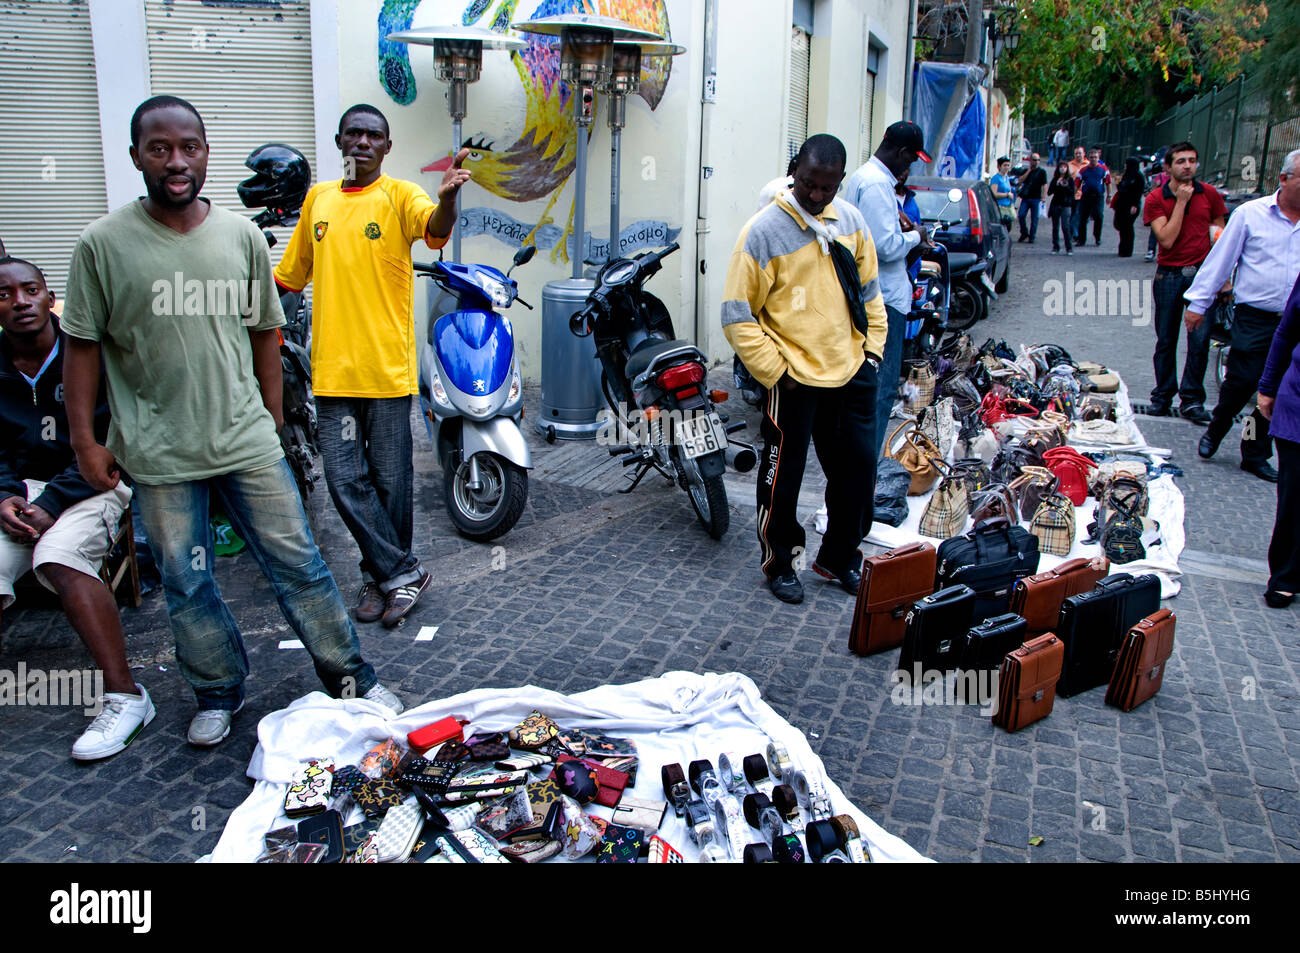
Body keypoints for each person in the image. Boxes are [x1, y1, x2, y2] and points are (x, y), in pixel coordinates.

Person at [60, 95, 403, 748]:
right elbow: (82, 346)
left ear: (206, 153)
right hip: (159, 453)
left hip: (245, 441)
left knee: (300, 564)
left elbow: (265, 333)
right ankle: (217, 691)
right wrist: (83, 438)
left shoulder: (240, 235)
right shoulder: (100, 245)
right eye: (159, 148)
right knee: (188, 582)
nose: (176, 160)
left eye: (189, 146)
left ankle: (351, 677)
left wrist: (273, 422)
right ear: (136, 156)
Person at [274, 104, 468, 628]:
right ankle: (401, 573)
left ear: (387, 146)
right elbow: (288, 278)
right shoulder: (318, 200)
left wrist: (448, 198)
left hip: (385, 372)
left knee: (391, 481)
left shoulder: (402, 195)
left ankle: (378, 576)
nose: (362, 141)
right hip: (334, 371)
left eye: (373, 135)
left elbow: (434, 230)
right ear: (340, 140)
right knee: (343, 480)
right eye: (353, 132)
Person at [723, 134, 888, 604]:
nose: (817, 196)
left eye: (828, 187)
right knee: (784, 477)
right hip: (792, 379)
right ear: (795, 169)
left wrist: (871, 356)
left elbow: (872, 297)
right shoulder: (763, 231)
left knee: (858, 471)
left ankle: (838, 557)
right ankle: (781, 563)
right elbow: (736, 314)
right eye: (810, 185)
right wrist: (777, 373)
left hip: (851, 371)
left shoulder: (851, 222)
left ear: (840, 182)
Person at [0, 257, 154, 760]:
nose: (20, 303)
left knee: (59, 556)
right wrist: (6, 496)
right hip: (23, 492)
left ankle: (126, 696)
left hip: (91, 483)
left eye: (30, 290)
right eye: (5, 295)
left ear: (49, 296)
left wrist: (49, 503)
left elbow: (112, 442)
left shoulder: (86, 353)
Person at [1187, 148, 1300, 483]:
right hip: (1255, 317)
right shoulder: (1252, 214)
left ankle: (1254, 451)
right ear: (1285, 178)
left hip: (1293, 321)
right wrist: (1198, 303)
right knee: (1242, 383)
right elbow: (1221, 258)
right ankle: (1218, 427)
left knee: (1274, 389)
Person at [843, 120, 932, 453]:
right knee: (881, 389)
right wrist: (916, 236)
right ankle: (866, 470)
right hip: (885, 299)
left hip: (874, 295)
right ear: (900, 152)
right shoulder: (878, 184)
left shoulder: (864, 179)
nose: (909, 166)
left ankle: (861, 463)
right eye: (910, 159)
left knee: (869, 386)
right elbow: (885, 245)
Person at [1142, 141, 1227, 423]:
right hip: (1169, 275)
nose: (1187, 165)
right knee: (1166, 339)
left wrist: (1223, 277)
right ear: (1168, 167)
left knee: (1200, 341)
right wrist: (1180, 202)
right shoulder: (1156, 198)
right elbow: (1166, 238)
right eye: (1180, 161)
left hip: (1203, 275)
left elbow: (1221, 236)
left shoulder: (1210, 194)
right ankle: (1162, 396)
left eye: (1192, 160)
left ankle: (1191, 400)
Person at [1258, 271, 1300, 608]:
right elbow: (1286, 332)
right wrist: (1268, 387)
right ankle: (1285, 575)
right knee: (1294, 495)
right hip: (1297, 404)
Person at [1075, 148, 1111, 246]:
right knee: (1083, 217)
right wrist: (1074, 195)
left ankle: (1097, 237)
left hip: (1098, 196)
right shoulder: (1083, 170)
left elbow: (1108, 183)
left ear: (1098, 158)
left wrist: (1109, 195)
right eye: (1091, 157)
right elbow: (1077, 183)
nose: (1093, 159)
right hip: (1086, 196)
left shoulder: (1103, 169)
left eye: (1095, 157)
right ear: (1088, 158)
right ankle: (1081, 239)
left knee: (1098, 216)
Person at [1111, 157, 1146, 257]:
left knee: (1128, 227)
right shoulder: (1127, 175)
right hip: (1122, 204)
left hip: (1131, 204)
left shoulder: (1139, 177)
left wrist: (1135, 205)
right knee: (1122, 227)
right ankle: (1122, 248)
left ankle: (1128, 249)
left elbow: (1138, 192)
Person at [1016, 153, 1047, 243]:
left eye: (1038, 160)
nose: (1036, 162)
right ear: (1030, 161)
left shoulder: (1042, 172)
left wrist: (1043, 197)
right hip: (1026, 197)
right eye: (1034, 160)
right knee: (1021, 215)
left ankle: (1032, 236)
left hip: (1036, 198)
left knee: (1034, 218)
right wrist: (1029, 171)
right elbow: (1020, 181)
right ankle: (1024, 232)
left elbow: (1044, 185)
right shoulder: (1026, 170)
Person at [1046, 161, 1076, 255]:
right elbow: (1049, 192)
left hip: (1066, 205)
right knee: (1055, 227)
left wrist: (1066, 186)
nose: (1062, 168)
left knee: (1065, 226)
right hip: (1056, 204)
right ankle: (1055, 246)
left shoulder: (1070, 179)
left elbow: (1072, 193)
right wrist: (1056, 184)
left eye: (1064, 167)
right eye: (1061, 167)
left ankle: (1069, 248)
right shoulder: (1055, 179)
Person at [1145, 162, 1170, 262]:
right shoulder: (1159, 177)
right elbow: (1154, 191)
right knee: (1155, 229)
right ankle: (1151, 250)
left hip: (1172, 206)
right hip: (1160, 206)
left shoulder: (1177, 179)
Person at [989, 156, 1015, 234]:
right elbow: (994, 194)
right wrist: (1006, 195)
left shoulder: (1006, 178)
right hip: (999, 207)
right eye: (1004, 165)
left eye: (1008, 165)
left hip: (1007, 207)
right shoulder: (996, 178)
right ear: (999, 166)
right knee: (1002, 230)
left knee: (1008, 229)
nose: (1006, 167)